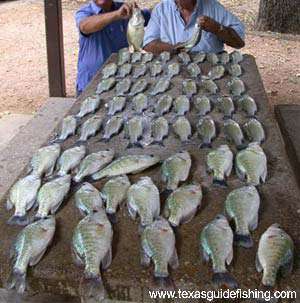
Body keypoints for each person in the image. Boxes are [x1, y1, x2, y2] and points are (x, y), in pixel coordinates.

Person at [75, 0, 151, 96]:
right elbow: (84, 26)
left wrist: (136, 10)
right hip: (91, 85)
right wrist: (117, 15)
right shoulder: (84, 12)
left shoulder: (125, 8)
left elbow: (154, 14)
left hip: (121, 82)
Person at [143, 0, 245, 55]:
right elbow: (148, 44)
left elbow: (239, 43)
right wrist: (174, 49)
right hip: (174, 68)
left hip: (211, 68)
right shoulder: (161, 9)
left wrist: (218, 29)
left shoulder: (213, 7)